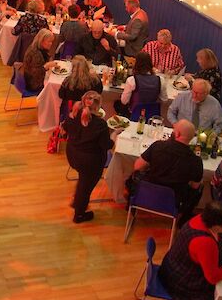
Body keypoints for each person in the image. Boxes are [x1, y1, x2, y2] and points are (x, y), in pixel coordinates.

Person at [127, 118, 204, 217]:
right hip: (173, 201)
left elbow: (137, 166)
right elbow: (195, 186)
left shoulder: (158, 146)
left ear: (177, 134)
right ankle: (182, 219)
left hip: (147, 193)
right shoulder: (196, 161)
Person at [62, 91, 114, 224]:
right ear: (97, 107)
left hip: (73, 155)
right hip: (90, 162)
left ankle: (77, 201)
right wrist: (114, 135)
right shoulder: (100, 125)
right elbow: (106, 145)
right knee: (85, 188)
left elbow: (65, 129)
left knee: (83, 183)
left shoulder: (73, 115)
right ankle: (79, 214)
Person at [119, 51, 162, 116]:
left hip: (135, 113)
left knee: (117, 104)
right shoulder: (160, 80)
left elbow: (124, 101)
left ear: (136, 64)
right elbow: (164, 99)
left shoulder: (132, 80)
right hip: (152, 114)